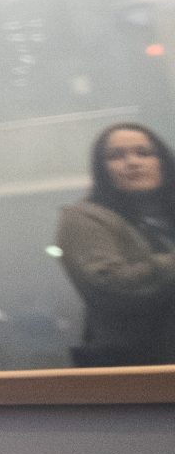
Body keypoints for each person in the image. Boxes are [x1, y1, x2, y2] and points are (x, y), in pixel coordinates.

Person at [56, 122, 175, 366]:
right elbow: (109, 285)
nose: (132, 162)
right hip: (137, 367)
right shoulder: (85, 218)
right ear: (102, 169)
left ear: (162, 161)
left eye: (144, 153)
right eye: (116, 156)